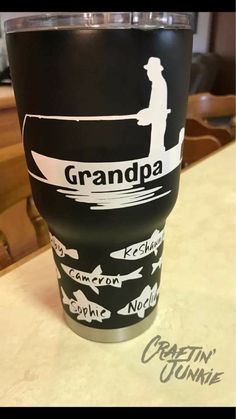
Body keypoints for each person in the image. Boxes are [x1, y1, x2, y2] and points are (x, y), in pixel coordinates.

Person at [137, 57, 171, 156]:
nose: (148, 73)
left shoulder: (159, 84)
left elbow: (156, 109)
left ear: (155, 70)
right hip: (158, 120)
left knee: (157, 147)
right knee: (156, 146)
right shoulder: (157, 83)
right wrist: (146, 113)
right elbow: (154, 108)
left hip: (159, 121)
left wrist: (146, 116)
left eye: (150, 70)